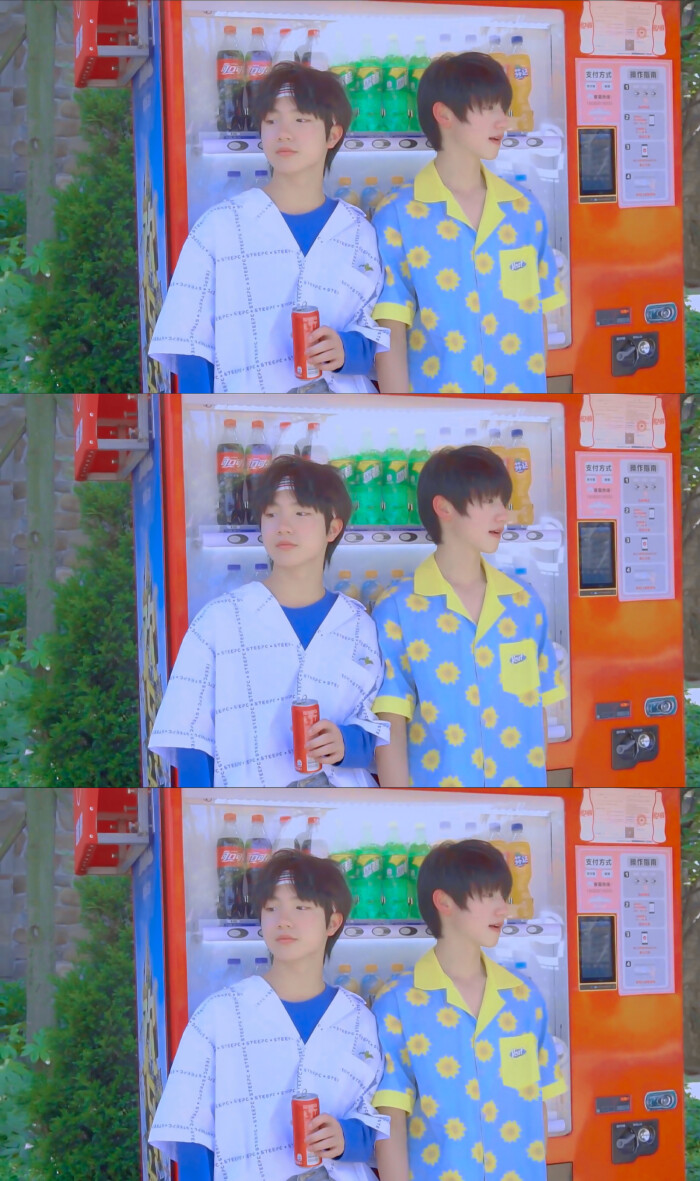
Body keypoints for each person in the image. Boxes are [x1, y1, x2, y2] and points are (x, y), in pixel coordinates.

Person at [149, 849, 390, 1181]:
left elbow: (381, 1120)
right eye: (271, 908)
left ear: (333, 922)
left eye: (301, 907)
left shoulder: (359, 1018)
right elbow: (190, 1131)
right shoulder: (219, 1015)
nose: (283, 920)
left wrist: (346, 1137)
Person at [148, 456, 389, 787]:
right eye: (271, 514)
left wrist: (346, 743)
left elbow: (381, 727)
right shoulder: (219, 621)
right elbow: (190, 736)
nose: (283, 527)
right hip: (251, 814)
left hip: (345, 811)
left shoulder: (360, 624)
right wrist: (203, 808)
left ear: (333, 528)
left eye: (301, 513)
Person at [148, 62, 388, 393]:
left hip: (344, 417)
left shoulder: (360, 231)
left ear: (333, 134)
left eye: (300, 120)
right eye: (271, 120)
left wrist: (346, 350)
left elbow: (381, 333)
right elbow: (190, 343)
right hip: (252, 419)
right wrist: (203, 414)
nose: (283, 133)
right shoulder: (219, 227)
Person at [371, 52, 567, 394]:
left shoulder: (524, 210)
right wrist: (399, 413)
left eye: (503, 108)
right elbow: (390, 331)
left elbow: (538, 317)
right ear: (444, 114)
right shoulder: (397, 215)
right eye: (488, 108)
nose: (503, 121)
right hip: (438, 409)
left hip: (518, 406)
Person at [372, 838, 567, 1181]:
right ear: (444, 901)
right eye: (489, 895)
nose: (503, 909)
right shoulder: (397, 1003)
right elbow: (390, 1121)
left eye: (503, 895)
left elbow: (537, 1107)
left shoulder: (525, 998)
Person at [371, 445, 567, 787]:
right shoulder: (397, 608)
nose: (503, 515)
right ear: (444, 507)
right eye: (488, 501)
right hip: (439, 804)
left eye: (503, 502)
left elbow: (538, 711)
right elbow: (390, 725)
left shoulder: (524, 603)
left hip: (518, 799)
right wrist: (400, 807)